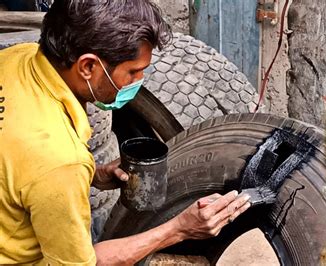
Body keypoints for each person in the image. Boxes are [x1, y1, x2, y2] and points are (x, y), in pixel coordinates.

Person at [0, 0, 250, 264]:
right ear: (87, 67)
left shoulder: (18, 58)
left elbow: (18, 170)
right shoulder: (60, 163)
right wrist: (180, 228)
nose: (138, 81)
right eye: (132, 72)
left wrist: (93, 175)